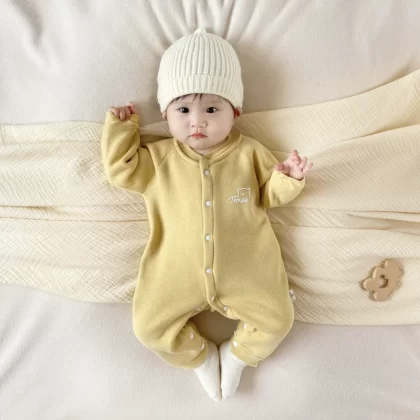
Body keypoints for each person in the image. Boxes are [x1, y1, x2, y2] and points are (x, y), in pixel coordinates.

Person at [101, 28, 313, 401]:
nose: (197, 122)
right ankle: (199, 357)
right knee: (149, 327)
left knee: (278, 319)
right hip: (173, 272)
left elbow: (265, 195)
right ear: (165, 114)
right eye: (183, 110)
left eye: (211, 110)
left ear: (236, 112)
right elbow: (121, 170)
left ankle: (237, 355)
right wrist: (121, 129)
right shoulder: (159, 160)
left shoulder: (249, 154)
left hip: (248, 269)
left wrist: (289, 178)